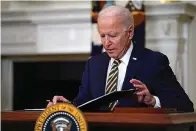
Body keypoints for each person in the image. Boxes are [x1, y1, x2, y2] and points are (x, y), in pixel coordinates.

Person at [47, 5, 194, 112]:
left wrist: (152, 100)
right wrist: (66, 107)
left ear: (130, 33)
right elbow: (84, 104)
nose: (106, 43)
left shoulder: (153, 62)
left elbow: (185, 106)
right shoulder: (94, 64)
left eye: (112, 35)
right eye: (103, 36)